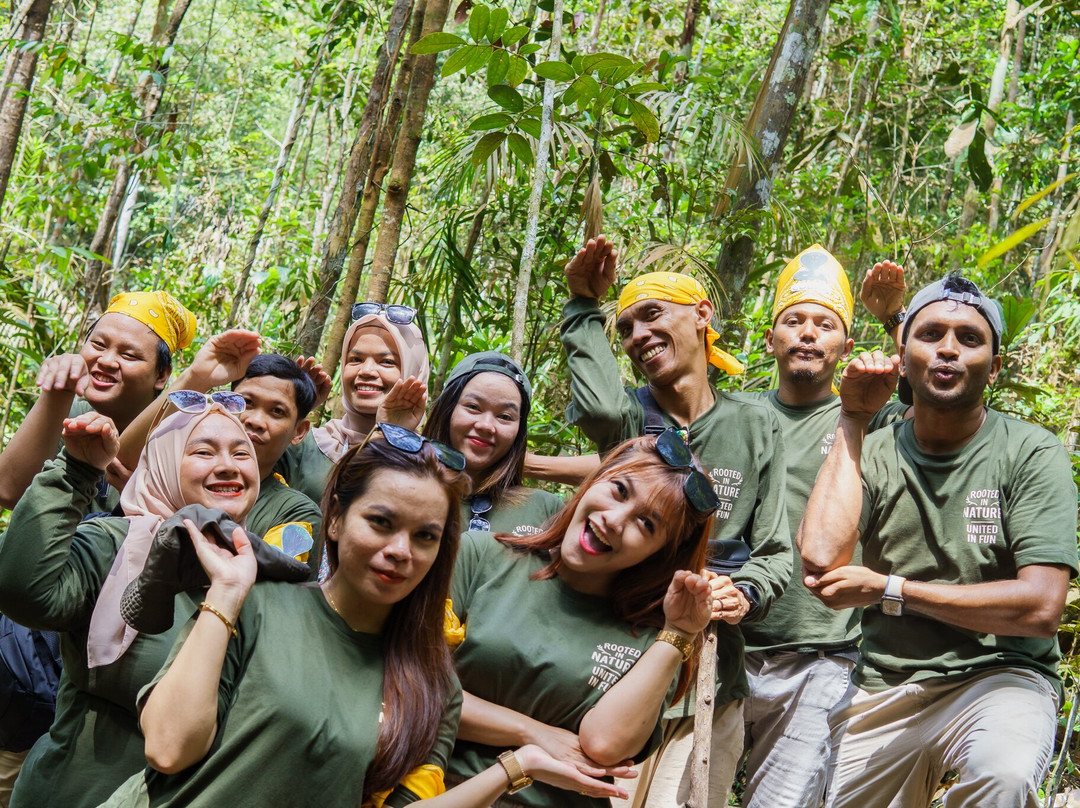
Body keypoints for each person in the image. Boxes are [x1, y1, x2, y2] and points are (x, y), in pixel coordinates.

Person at [99, 428, 636, 808]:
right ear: (334, 520)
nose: (401, 550)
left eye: (425, 536)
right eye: (380, 522)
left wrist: (516, 767)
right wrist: (230, 591)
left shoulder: (432, 687)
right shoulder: (256, 605)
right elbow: (168, 748)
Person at [798, 272, 1078, 808]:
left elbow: (1042, 606)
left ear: (994, 368)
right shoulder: (873, 449)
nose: (948, 349)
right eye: (931, 335)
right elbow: (820, 559)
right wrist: (852, 418)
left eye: (970, 339)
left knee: (1004, 775)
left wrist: (891, 589)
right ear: (903, 357)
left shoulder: (1029, 452)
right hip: (887, 684)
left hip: (1002, 677)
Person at [559, 236, 790, 806]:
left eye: (653, 315)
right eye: (628, 328)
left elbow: (778, 550)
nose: (639, 336)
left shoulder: (755, 423)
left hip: (713, 676)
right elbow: (595, 409)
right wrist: (584, 308)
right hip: (618, 662)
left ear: (702, 316)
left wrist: (744, 590)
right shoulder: (630, 419)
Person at [0, 400, 262, 808]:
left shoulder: (262, 572)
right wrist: (76, 471)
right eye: (203, 451)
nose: (229, 466)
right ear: (162, 463)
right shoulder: (117, 546)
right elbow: (24, 592)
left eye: (241, 453)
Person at [447, 432, 729, 808]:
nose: (614, 520)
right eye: (619, 490)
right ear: (595, 479)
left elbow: (603, 746)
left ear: (663, 552)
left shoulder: (655, 635)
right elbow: (417, 691)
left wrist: (678, 633)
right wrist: (534, 734)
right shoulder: (481, 557)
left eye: (646, 524)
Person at [733, 246, 908, 808]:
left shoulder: (869, 419)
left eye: (825, 324)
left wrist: (895, 319)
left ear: (846, 347)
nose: (808, 333)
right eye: (794, 320)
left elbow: (936, 395)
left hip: (822, 654)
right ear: (771, 338)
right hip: (725, 642)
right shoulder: (734, 415)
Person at [0, 290, 196, 512]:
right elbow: (9, 492)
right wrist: (58, 393)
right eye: (99, 345)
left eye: (129, 355)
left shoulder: (181, 437)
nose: (106, 360)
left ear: (162, 375)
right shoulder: (72, 414)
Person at [277, 302, 430, 504]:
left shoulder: (429, 462)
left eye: (386, 362)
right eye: (355, 359)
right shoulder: (309, 444)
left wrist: (389, 435)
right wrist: (292, 407)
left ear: (414, 371)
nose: (366, 371)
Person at [423, 351, 561, 536]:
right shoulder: (407, 489)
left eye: (505, 416)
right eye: (473, 407)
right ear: (447, 410)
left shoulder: (545, 509)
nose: (486, 426)